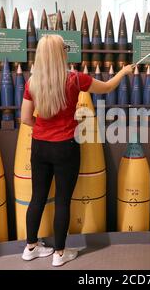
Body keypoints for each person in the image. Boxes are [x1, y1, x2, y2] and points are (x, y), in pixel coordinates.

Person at [20, 34, 133, 266]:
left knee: (37, 197)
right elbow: (108, 87)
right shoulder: (74, 79)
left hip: (39, 146)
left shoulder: (32, 82)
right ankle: (59, 254)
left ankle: (30, 247)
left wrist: (43, 129)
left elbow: (24, 118)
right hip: (65, 148)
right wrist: (123, 72)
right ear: (61, 53)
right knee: (62, 200)